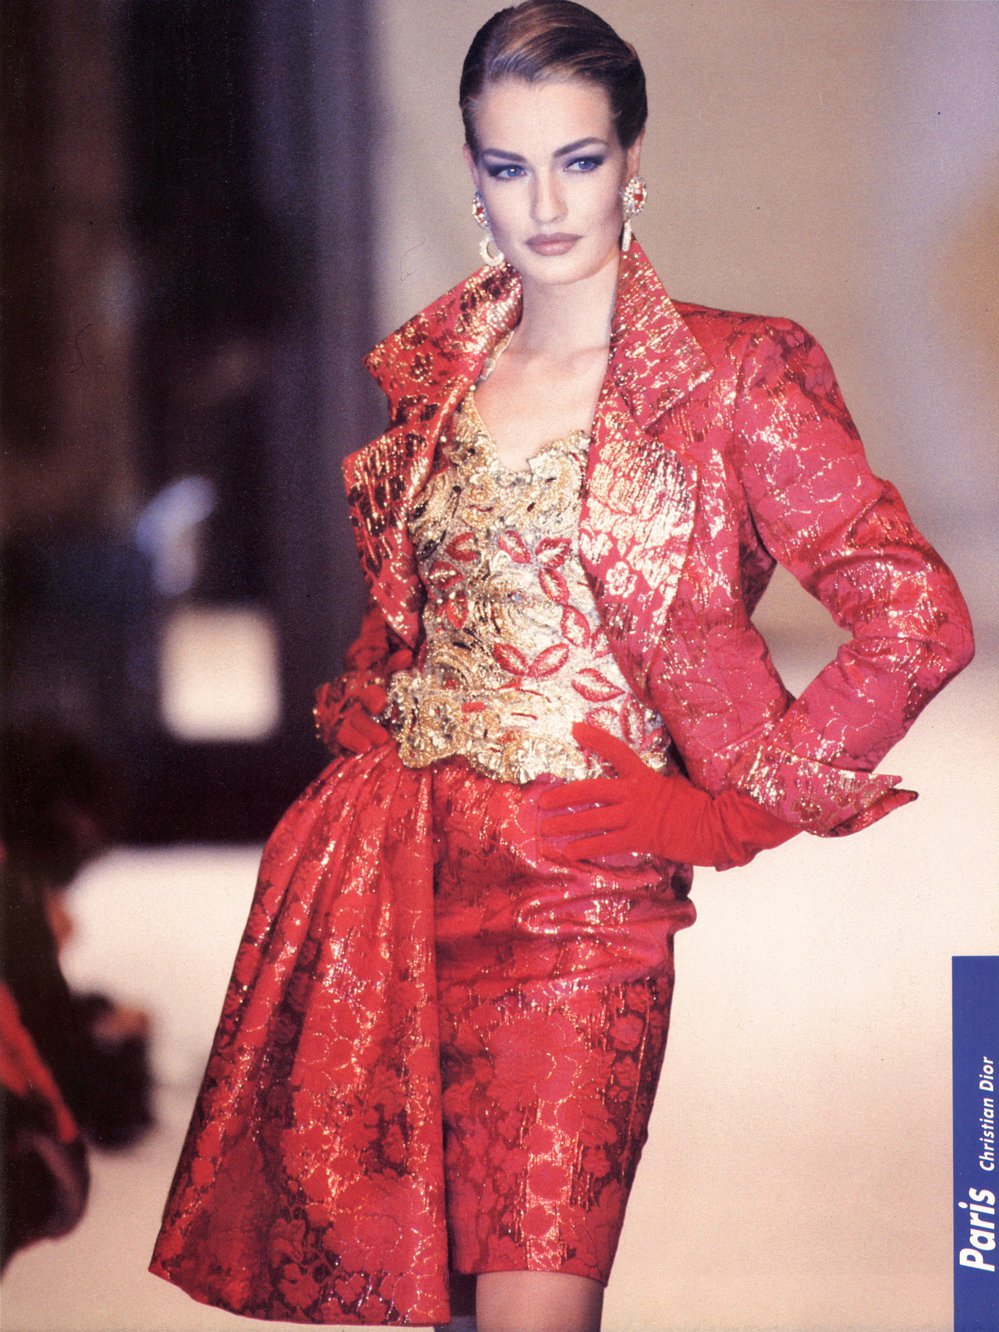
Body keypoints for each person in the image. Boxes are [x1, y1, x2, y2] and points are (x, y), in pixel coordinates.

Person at [149, 4, 974, 1330]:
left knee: (538, 1307)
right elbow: (404, 633)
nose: (544, 203)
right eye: (509, 165)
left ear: (632, 162)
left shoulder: (733, 375)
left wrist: (732, 812)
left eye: (577, 160)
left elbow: (918, 615)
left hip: (585, 912)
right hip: (399, 889)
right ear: (473, 173)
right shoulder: (438, 379)